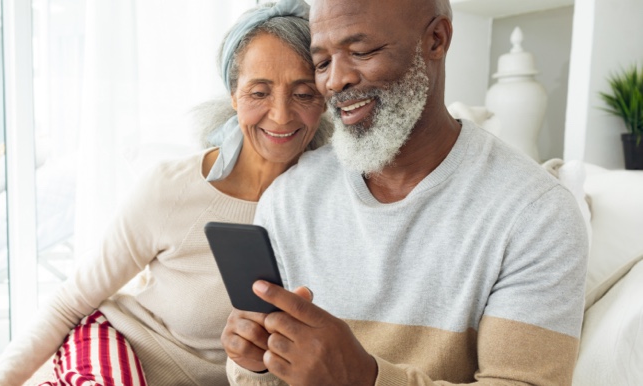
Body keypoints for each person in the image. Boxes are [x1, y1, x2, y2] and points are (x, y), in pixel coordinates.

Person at [221, 0, 589, 385]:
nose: (335, 81)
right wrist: (256, 362)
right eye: (323, 62)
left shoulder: (536, 213)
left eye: (361, 52)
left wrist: (364, 377)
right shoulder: (289, 199)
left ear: (436, 40)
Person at [0, 1, 330, 385]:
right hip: (119, 344)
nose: (280, 115)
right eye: (258, 92)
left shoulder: (326, 204)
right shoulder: (173, 188)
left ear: (325, 98)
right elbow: (69, 303)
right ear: (233, 96)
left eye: (303, 93)